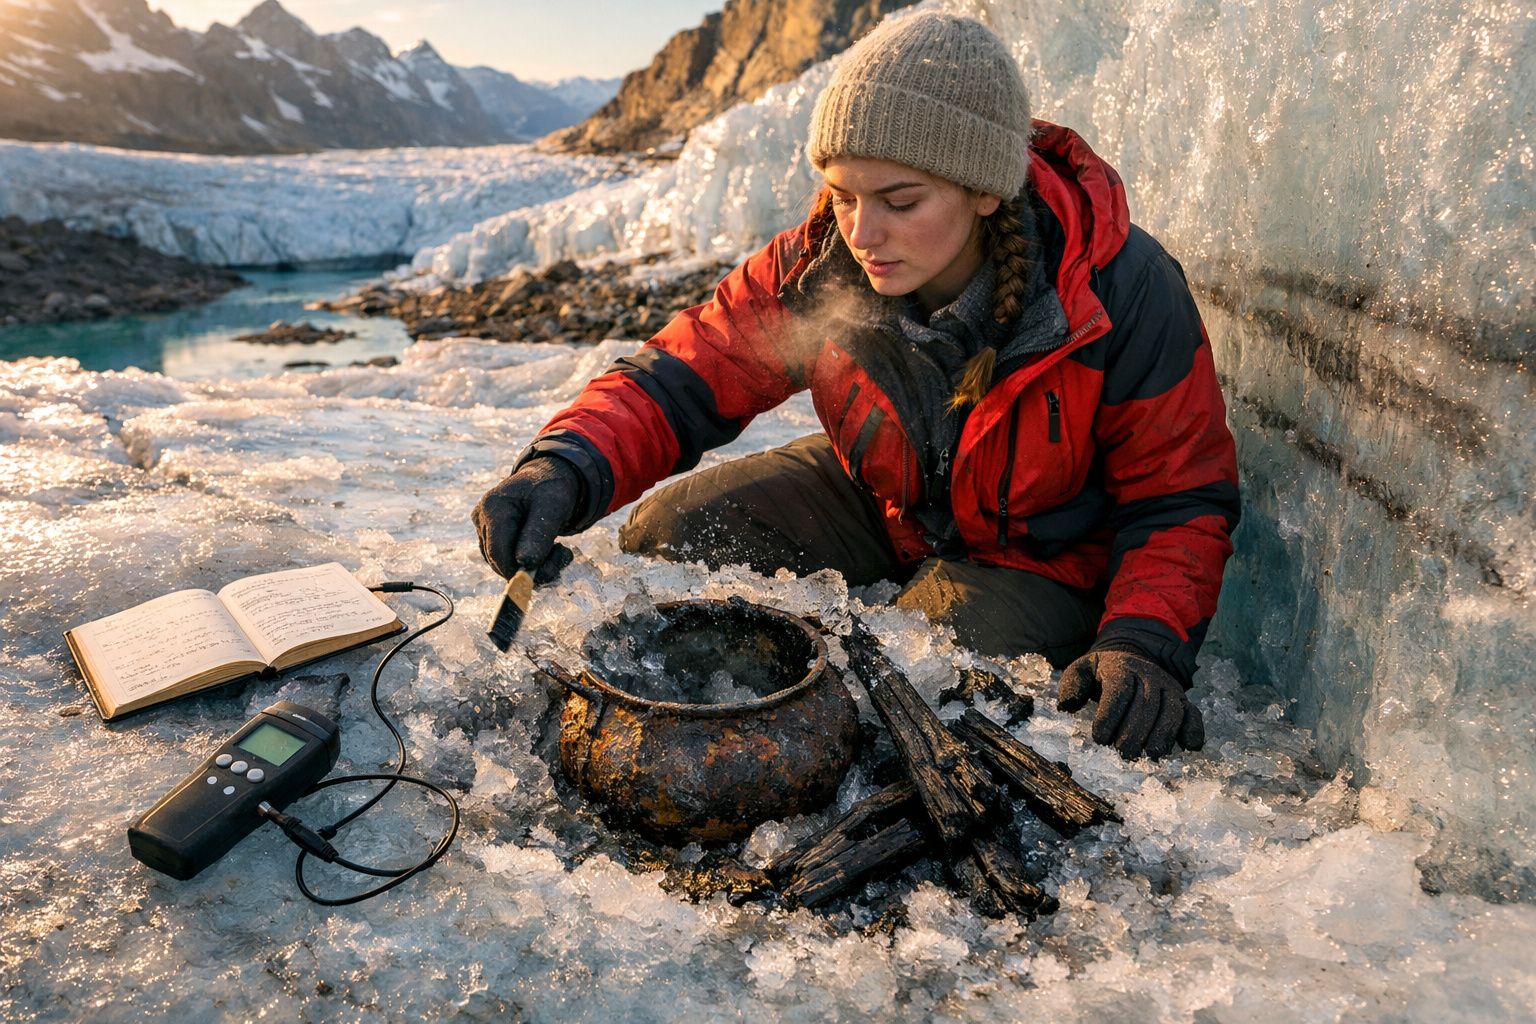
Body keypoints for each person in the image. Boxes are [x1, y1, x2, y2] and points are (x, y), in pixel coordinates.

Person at [473, 12, 1240, 761]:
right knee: (672, 530)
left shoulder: (1116, 290)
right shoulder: (819, 266)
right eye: (843, 195)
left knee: (894, 681)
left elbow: (1178, 496)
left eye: (899, 202)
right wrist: (566, 463)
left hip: (1044, 562)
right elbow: (682, 376)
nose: (861, 233)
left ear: (983, 191)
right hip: (888, 508)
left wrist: (1142, 642)